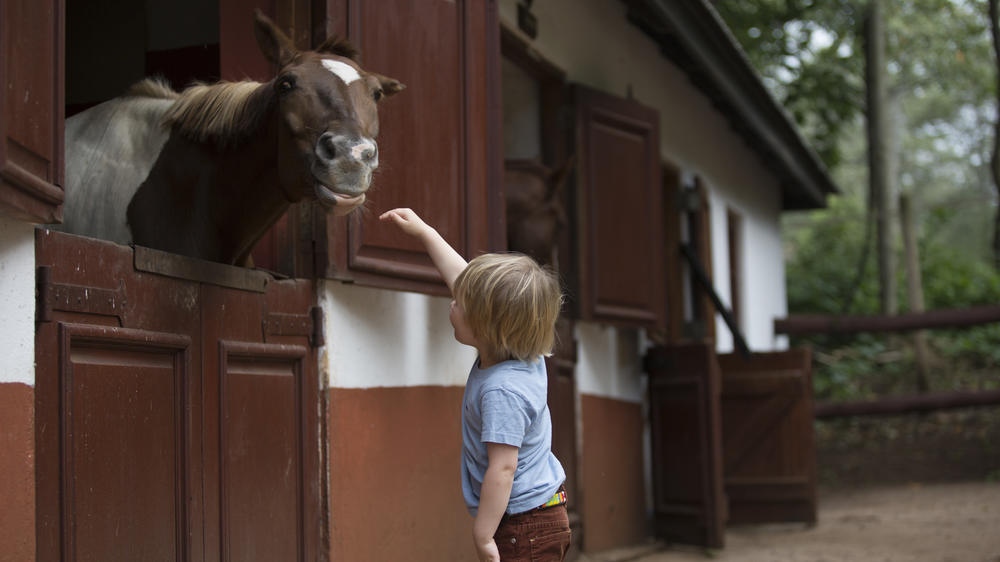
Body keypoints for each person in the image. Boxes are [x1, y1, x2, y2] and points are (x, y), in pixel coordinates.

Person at [379, 208, 572, 562]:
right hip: (537, 514)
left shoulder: (502, 391)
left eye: (460, 304)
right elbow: (463, 279)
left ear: (487, 325)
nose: (453, 301)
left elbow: (503, 467)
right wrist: (425, 233)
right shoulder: (520, 351)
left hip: (523, 526)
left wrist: (483, 535)